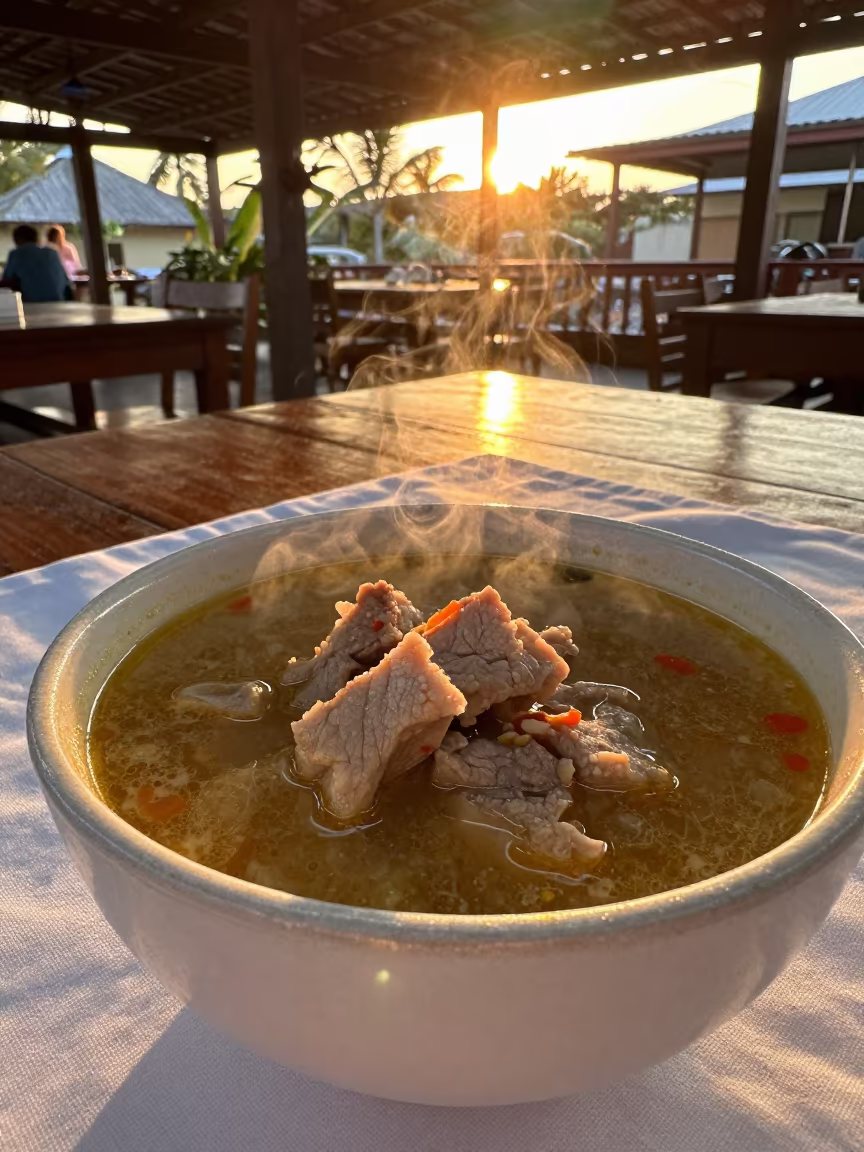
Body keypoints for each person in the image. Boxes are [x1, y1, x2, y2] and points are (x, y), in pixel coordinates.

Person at [0, 224, 72, 303]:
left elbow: (6, 280)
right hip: (58, 300)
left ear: (17, 240)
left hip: (31, 302)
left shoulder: (17, 253)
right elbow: (65, 281)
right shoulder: (52, 253)